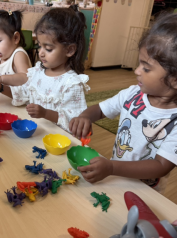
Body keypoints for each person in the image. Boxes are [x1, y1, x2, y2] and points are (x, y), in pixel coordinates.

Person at [69, 12, 177, 193]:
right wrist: (85, 117)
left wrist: (112, 167)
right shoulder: (132, 94)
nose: (136, 71)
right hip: (114, 175)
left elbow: (161, 165)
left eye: (146, 68)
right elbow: (101, 110)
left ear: (175, 79)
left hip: (145, 191)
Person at [0, 5, 90, 132]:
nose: (41, 53)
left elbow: (74, 120)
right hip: (36, 133)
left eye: (48, 49)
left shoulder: (72, 84)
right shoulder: (38, 72)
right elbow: (22, 93)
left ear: (70, 50)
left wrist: (45, 113)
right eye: (39, 46)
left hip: (57, 140)